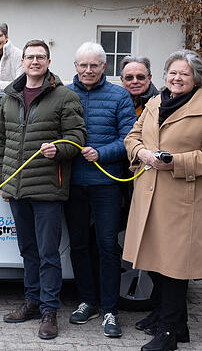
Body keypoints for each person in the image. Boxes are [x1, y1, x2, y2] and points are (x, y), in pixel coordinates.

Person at [124, 49, 202, 351]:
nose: (177, 77)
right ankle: (174, 322)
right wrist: (141, 153)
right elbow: (133, 136)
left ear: (196, 78)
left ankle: (169, 333)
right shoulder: (155, 102)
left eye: (184, 73)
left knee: (174, 268)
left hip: (183, 199)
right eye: (172, 72)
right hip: (149, 195)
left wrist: (174, 163)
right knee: (154, 262)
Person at [0, 39, 85, 340]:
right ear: (22, 61)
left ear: (48, 62)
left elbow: (77, 137)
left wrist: (59, 149)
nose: (35, 61)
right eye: (30, 57)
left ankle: (49, 311)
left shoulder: (64, 96)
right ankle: (32, 303)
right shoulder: (9, 96)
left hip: (48, 187)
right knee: (28, 251)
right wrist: (4, 182)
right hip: (18, 187)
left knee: (49, 253)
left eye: (41, 57)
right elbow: (1, 142)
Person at [64, 42, 136, 338]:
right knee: (79, 245)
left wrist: (102, 153)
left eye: (94, 65)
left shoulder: (119, 95)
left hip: (106, 184)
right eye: (83, 65)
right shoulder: (65, 94)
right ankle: (87, 301)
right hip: (73, 183)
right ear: (76, 67)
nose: (88, 70)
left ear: (105, 67)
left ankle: (110, 310)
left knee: (107, 247)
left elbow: (130, 138)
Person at [119, 54, 162, 337]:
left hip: (154, 184)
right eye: (129, 77)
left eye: (140, 77)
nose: (135, 81)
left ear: (149, 78)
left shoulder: (161, 104)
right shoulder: (120, 101)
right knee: (130, 244)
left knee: (157, 247)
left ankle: (160, 308)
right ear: (122, 80)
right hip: (124, 184)